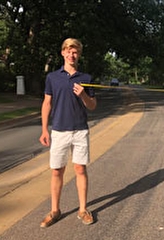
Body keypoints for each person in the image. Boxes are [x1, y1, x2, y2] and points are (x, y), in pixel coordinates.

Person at [39, 38, 97, 228]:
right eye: (69, 51)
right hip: (59, 131)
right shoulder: (53, 77)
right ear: (63, 53)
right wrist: (44, 129)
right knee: (57, 170)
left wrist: (83, 95)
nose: (72, 55)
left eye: (75, 52)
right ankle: (55, 210)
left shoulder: (86, 78)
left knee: (80, 169)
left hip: (80, 130)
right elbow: (47, 103)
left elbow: (92, 106)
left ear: (78, 55)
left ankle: (83, 210)